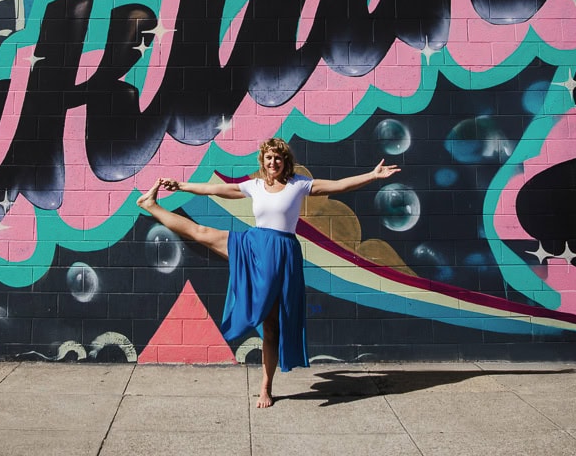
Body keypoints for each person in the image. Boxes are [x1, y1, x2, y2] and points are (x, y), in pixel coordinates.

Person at [136, 137, 400, 408]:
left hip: (283, 255)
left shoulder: (299, 184)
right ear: (262, 161)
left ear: (285, 161)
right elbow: (216, 189)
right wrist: (182, 185)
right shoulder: (255, 186)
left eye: (278, 157)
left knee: (272, 327)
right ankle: (151, 205)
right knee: (201, 232)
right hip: (254, 246)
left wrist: (372, 175)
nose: (273, 162)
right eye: (268, 158)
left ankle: (266, 388)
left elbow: (340, 185)